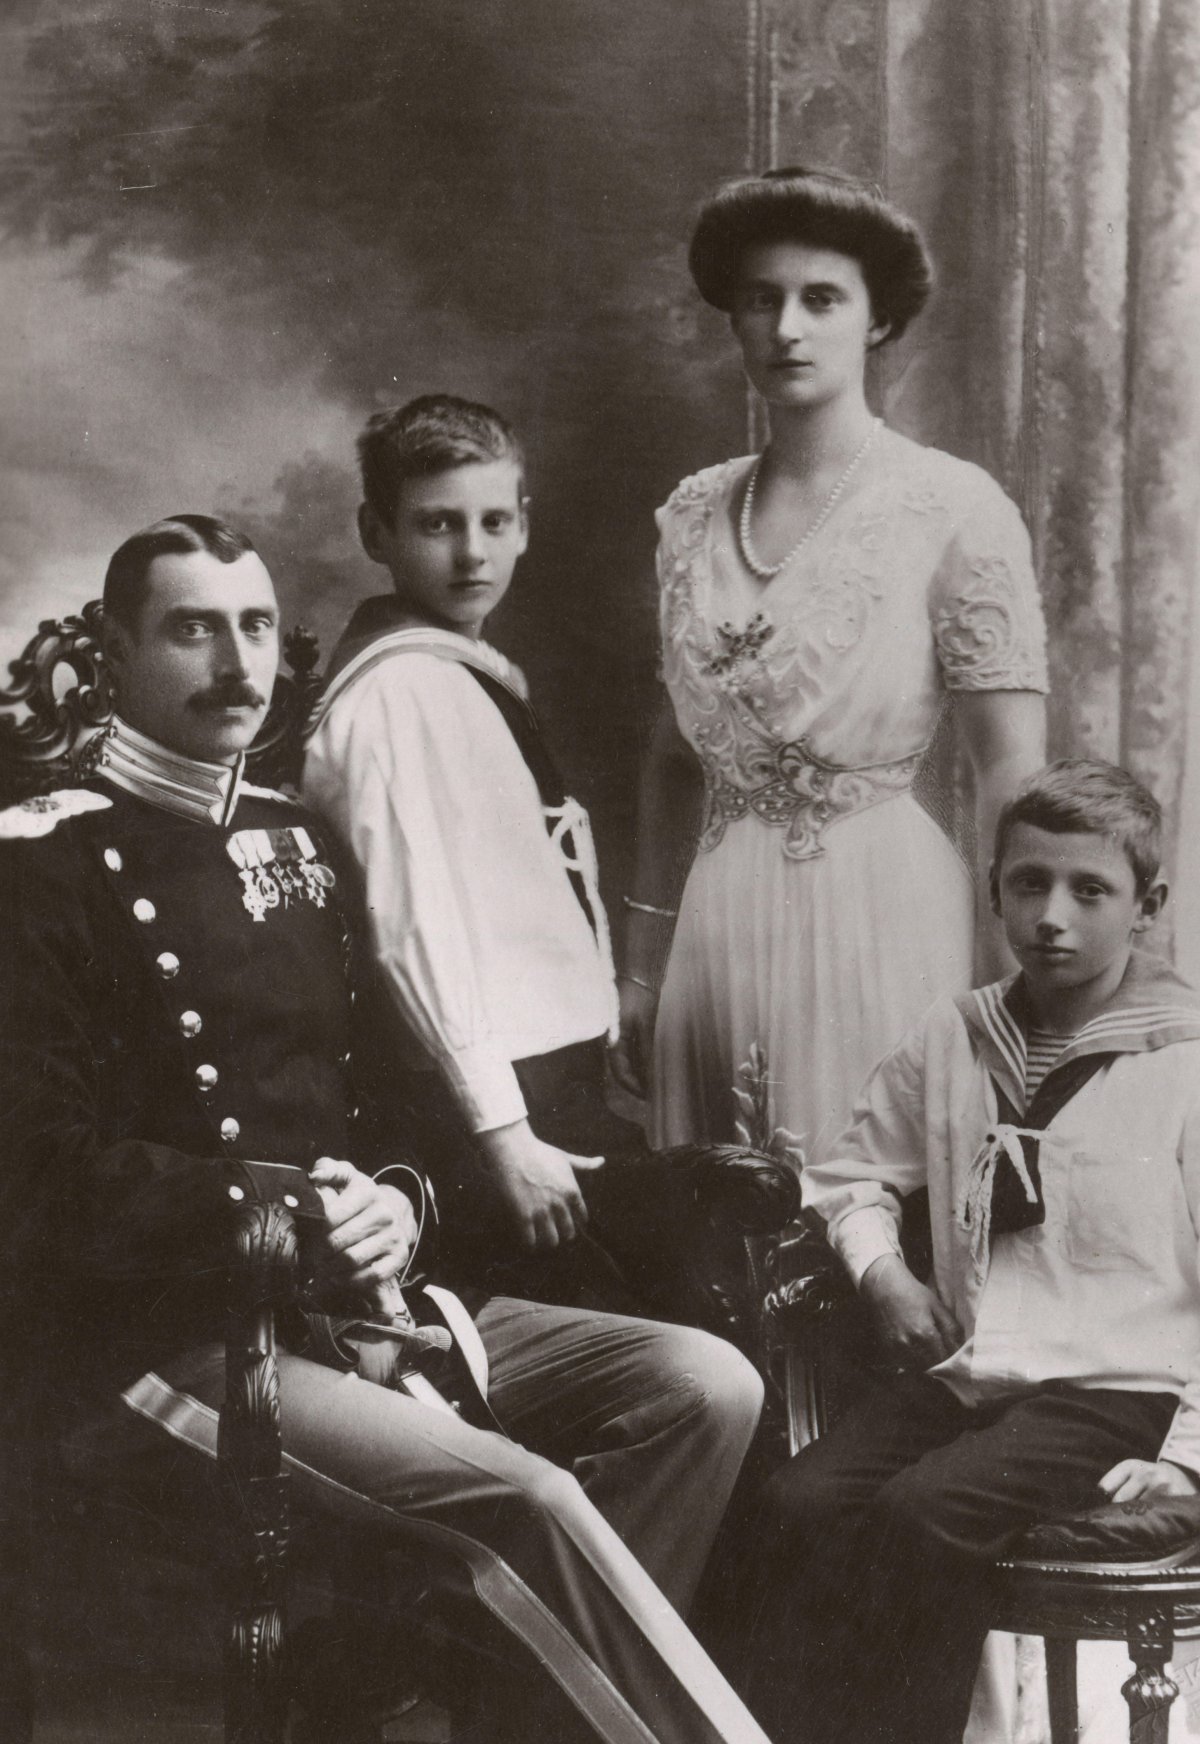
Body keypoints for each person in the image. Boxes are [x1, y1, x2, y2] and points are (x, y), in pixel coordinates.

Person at [0, 513, 770, 1744]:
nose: (237, 664)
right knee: (530, 1495)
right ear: (117, 651)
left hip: (368, 1303)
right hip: (174, 1344)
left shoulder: (301, 843)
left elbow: (387, 1101)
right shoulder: (43, 865)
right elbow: (39, 1172)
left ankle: (517, 1715)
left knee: (705, 1386)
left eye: (254, 625)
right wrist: (291, 1210)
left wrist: (398, 1200)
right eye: (193, 629)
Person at [737, 758, 1200, 1744]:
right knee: (794, 1500)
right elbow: (848, 1177)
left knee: (921, 1514)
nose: (1052, 916)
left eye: (1090, 890)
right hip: (978, 1379)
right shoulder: (958, 1036)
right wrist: (885, 1274)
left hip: (1121, 1390)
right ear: (994, 891)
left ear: (1147, 906)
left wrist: (1193, 1464)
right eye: (1028, 883)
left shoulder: (1184, 1059)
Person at [613, 166, 1048, 1170]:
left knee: (867, 1236)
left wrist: (1008, 994)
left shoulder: (952, 506)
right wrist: (641, 971)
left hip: (880, 916)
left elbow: (1010, 777)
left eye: (822, 299)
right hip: (714, 932)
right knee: (723, 1247)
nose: (787, 329)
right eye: (761, 299)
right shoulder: (688, 514)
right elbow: (673, 757)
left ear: (878, 321)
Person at [302, 396, 652, 1300]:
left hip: (545, 1078)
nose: (471, 553)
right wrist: (504, 1135)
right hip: (486, 1108)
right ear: (376, 532)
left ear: (525, 525)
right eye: (436, 525)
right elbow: (414, 929)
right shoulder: (399, 694)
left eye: (493, 521)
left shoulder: (454, 673)